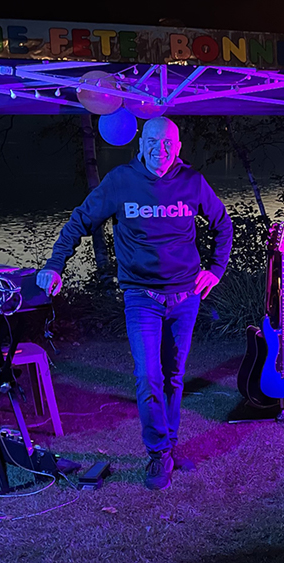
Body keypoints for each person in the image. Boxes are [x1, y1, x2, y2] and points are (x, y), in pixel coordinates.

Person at [36, 117, 232, 490]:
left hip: (185, 297)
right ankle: (158, 453)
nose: (161, 150)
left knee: (173, 376)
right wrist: (54, 265)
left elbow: (222, 224)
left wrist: (215, 270)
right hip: (142, 298)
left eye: (169, 143)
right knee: (148, 376)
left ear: (178, 147)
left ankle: (168, 448)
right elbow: (80, 221)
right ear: (141, 144)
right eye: (154, 142)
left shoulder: (192, 182)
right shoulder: (121, 181)